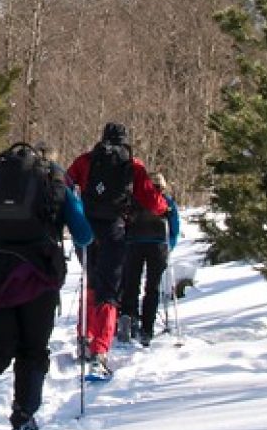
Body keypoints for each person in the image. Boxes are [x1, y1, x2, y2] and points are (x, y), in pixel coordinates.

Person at [0, 145, 92, 430]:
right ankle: (23, 420)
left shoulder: (0, 181)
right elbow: (84, 235)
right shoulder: (56, 182)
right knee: (32, 351)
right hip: (38, 276)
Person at [66, 123, 167, 380]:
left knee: (90, 282)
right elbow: (153, 202)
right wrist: (164, 205)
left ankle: (83, 336)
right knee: (109, 289)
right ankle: (100, 348)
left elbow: (65, 184)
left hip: (87, 230)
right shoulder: (132, 165)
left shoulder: (87, 160)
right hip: (114, 230)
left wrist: (75, 212)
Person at [118, 172, 181, 347]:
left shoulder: (134, 200)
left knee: (131, 284)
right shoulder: (166, 202)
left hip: (133, 245)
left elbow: (124, 223)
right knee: (152, 288)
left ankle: (128, 320)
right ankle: (147, 329)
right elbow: (174, 227)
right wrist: (170, 246)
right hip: (158, 246)